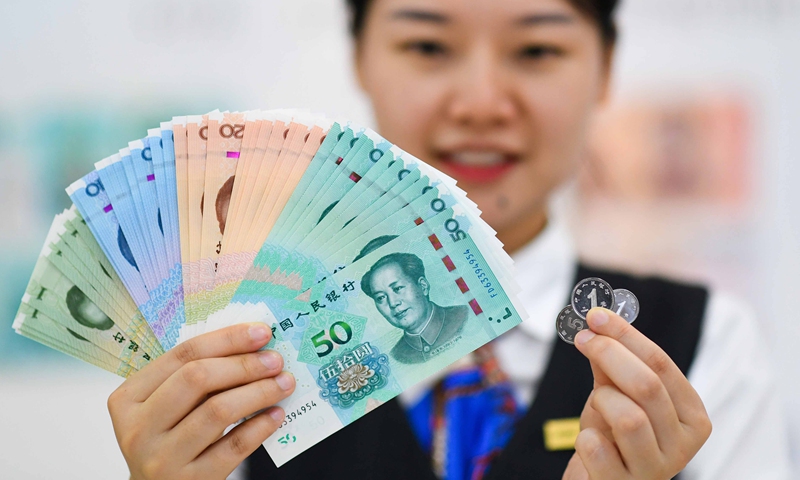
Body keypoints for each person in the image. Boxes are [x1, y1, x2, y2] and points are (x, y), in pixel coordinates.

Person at [107, 0, 792, 479]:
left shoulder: (707, 346)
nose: (481, 102)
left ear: (605, 69)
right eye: (428, 46)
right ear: (362, 60)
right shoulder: (236, 355)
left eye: (537, 50)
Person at [360, 252, 469, 364]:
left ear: (423, 286)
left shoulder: (465, 317)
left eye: (398, 288)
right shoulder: (396, 356)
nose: (392, 303)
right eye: (380, 297)